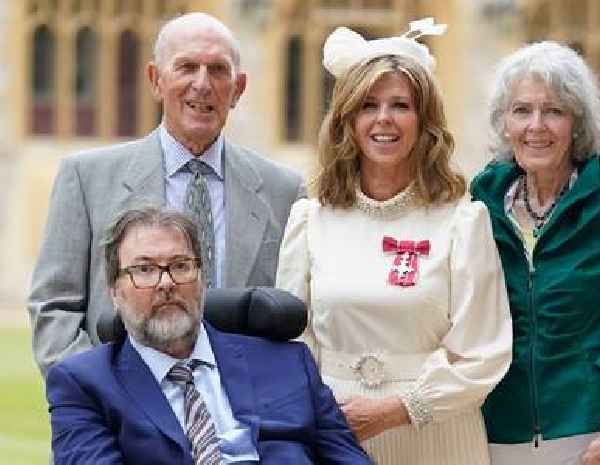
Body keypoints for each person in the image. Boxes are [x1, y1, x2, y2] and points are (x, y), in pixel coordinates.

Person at [275, 20, 512, 465]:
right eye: (368, 105)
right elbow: (292, 343)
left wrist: (398, 410)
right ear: (347, 120)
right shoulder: (311, 218)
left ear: (424, 122)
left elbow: (484, 352)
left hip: (437, 435)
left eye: (400, 105)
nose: (383, 119)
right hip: (335, 432)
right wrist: (322, 413)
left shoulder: (463, 220)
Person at [28, 12, 304, 376]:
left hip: (242, 414)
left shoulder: (284, 191)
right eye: (187, 67)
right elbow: (54, 308)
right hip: (121, 413)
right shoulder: (86, 178)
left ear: (238, 89)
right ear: (156, 80)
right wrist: (100, 394)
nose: (202, 84)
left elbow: (294, 317)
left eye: (218, 70)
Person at [470, 41, 600, 465]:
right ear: (504, 123)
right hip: (496, 434)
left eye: (554, 111)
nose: (536, 126)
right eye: (522, 110)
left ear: (577, 123)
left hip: (595, 435)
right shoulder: (477, 208)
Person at [46, 206, 371, 465]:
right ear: (115, 292)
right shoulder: (84, 383)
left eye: (180, 265)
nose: (166, 283)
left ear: (201, 279)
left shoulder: (287, 361)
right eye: (144, 269)